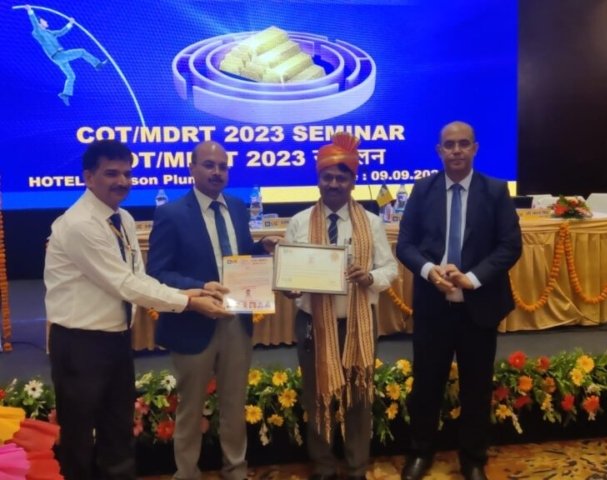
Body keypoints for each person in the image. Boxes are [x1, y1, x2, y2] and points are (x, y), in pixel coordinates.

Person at [44, 139, 230, 480]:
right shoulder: (80, 224)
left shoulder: (124, 218)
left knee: (118, 429)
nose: (122, 181)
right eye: (111, 173)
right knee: (79, 436)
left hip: (116, 340)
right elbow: (124, 285)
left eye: (127, 174)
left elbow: (138, 278)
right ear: (88, 177)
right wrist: (190, 303)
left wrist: (191, 290)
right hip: (79, 343)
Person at [146, 140, 280, 480]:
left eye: (222, 166)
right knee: (190, 407)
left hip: (236, 320)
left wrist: (260, 249)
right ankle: (186, 473)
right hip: (193, 323)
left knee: (234, 403)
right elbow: (157, 273)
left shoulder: (236, 207)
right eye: (208, 165)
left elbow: (238, 259)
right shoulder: (171, 214)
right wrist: (201, 287)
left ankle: (235, 469)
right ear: (192, 168)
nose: (217, 172)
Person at [396, 121, 522, 480]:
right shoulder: (422, 190)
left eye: (463, 144)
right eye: (449, 145)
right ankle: (421, 451)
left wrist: (473, 279)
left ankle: (473, 458)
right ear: (439, 151)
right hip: (433, 307)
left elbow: (510, 245)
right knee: (427, 384)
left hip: (478, 308)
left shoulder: (495, 191)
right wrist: (428, 271)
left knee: (476, 387)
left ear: (475, 148)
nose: (456, 150)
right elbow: (405, 245)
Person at [284, 132, 398, 480]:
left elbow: (390, 269)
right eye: (327, 176)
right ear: (318, 179)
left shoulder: (371, 223)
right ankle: (322, 464)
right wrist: (289, 289)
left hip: (357, 323)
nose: (333, 184)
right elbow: (289, 275)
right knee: (316, 394)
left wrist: (369, 277)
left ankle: (356, 465)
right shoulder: (299, 222)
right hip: (312, 323)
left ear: (353, 181)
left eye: (341, 177)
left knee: (358, 396)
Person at [25, 5, 108, 106]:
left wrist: (70, 23)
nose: (46, 22)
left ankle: (65, 94)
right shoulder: (38, 32)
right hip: (58, 55)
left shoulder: (49, 32)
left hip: (60, 57)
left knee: (71, 76)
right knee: (81, 51)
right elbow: (34, 23)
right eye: (44, 21)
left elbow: (61, 32)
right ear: (39, 23)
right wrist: (30, 11)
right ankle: (97, 64)